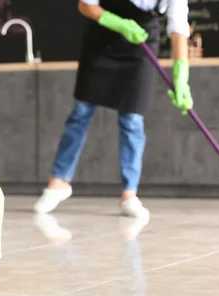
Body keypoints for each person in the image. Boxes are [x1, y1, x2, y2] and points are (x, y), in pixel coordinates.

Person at [34, 0, 193, 220]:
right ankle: (59, 182)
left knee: (132, 119)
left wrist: (181, 75)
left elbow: (178, 29)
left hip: (142, 44)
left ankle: (129, 195)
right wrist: (119, 24)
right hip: (103, 39)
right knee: (81, 112)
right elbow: (85, 5)